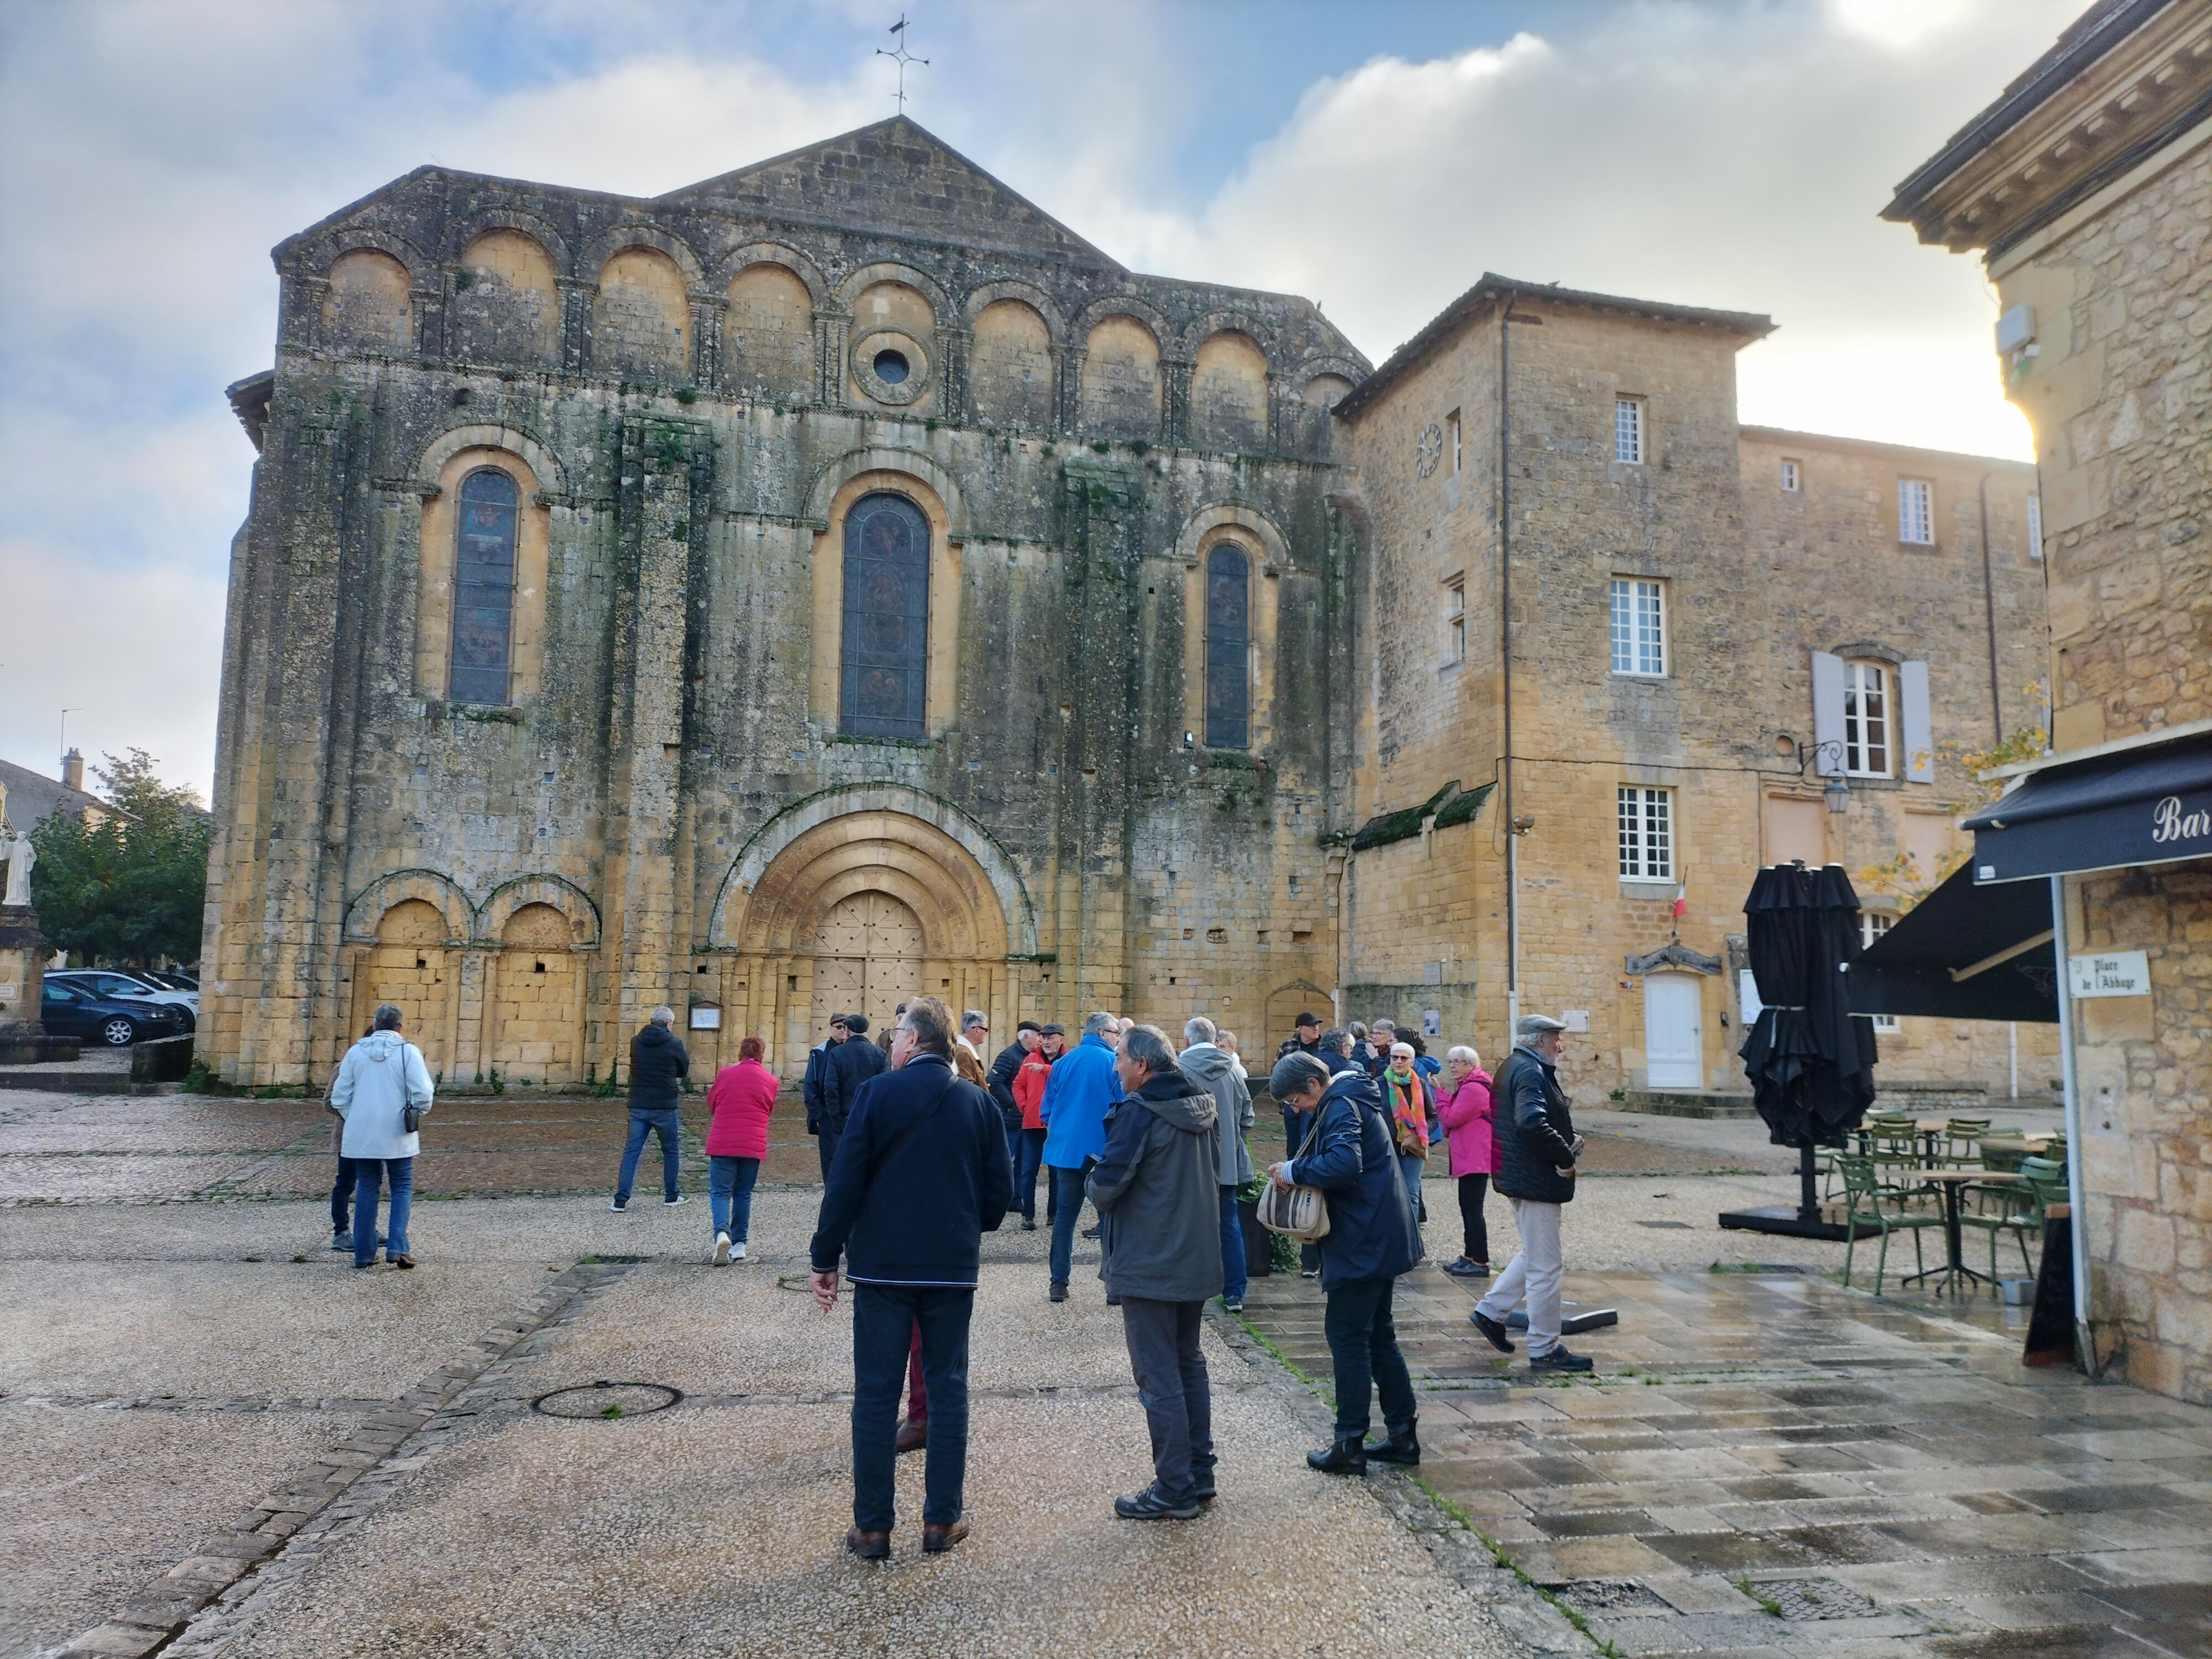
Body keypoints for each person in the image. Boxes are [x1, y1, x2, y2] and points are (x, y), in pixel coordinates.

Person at [810, 997, 1013, 1559]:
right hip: (950, 1270)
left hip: (882, 1270)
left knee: (875, 1396)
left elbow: (844, 1183)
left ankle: (873, 1528)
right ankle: (941, 1522)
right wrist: (963, 1221)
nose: (891, 1041)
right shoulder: (979, 1104)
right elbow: (1000, 1199)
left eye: (897, 1032)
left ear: (916, 1040)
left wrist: (824, 1258)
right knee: (948, 1391)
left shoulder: (878, 1094)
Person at [1090, 1024, 1222, 1521]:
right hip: (1194, 1253)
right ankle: (1198, 1473)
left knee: (1159, 1373)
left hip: (1151, 1258)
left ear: (1143, 1065)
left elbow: (1107, 1187)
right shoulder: (1202, 1104)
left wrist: (1090, 1178)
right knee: (1188, 1363)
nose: (1116, 1065)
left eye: (1120, 1057)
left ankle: (1174, 1487)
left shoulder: (1140, 1112)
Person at [1266, 1050, 1421, 1474]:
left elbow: (1343, 1163)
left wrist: (1294, 1170)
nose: (1297, 1109)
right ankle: (1402, 1436)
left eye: (1298, 1101)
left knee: (1347, 1337)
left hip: (1363, 1239)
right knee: (1378, 1337)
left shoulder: (1339, 1104)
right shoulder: (1357, 1096)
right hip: (1380, 1233)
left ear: (1315, 1084)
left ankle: (1350, 1443)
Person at [1470, 1015, 1592, 1373]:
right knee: (1546, 1267)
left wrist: (1566, 1142)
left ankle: (1490, 1312)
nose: (1560, 1045)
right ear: (1540, 1040)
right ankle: (1543, 1347)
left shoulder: (1516, 1065)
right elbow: (1531, 1122)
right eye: (1556, 1039)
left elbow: (1528, 1122)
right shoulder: (1531, 1071)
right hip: (1534, 1180)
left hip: (1521, 1176)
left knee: (1535, 1254)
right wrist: (1565, 1156)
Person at [330, 1003, 434, 1270]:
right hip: (397, 1132)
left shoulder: (355, 1053)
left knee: (367, 1187)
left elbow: (339, 1097)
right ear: (400, 1026)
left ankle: (364, 1253)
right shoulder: (408, 1052)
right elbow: (423, 1094)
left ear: (375, 1025)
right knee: (401, 1187)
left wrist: (357, 1117)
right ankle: (398, 1247)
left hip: (361, 1134)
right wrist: (413, 1113)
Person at [1038, 1010, 1123, 1302]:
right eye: (1115, 1033)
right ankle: (1114, 1287)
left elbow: (1046, 1110)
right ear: (1102, 1034)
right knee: (1110, 1220)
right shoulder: (1113, 1064)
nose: (1118, 1039)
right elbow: (1123, 1109)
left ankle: (1058, 1283)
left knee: (1064, 1219)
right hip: (1101, 1153)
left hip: (1066, 1152)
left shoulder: (1062, 1063)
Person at [1177, 1016, 1254, 1314]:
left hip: (1189, 1162)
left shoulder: (1180, 1070)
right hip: (1227, 1163)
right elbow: (1247, 1117)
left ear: (1186, 1042)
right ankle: (1235, 1292)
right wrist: (1232, 1143)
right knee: (1229, 1225)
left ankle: (1191, 1286)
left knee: (1186, 1225)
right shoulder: (1234, 1071)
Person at [705, 1035, 778, 1265]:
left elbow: (712, 1102)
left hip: (723, 1140)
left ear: (740, 1054)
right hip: (752, 1143)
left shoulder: (725, 1074)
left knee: (720, 1192)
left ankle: (721, 1234)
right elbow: (768, 1108)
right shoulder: (770, 1081)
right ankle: (739, 1245)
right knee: (743, 1194)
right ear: (761, 1057)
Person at [612, 1005, 688, 1212]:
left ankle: (621, 1200)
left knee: (632, 1152)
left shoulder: (636, 1042)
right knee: (671, 1151)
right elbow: (683, 1070)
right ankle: (671, 1195)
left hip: (639, 1103)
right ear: (669, 1023)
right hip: (664, 1105)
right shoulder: (674, 1043)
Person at [1434, 1044, 1497, 1277]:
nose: (1452, 1066)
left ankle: (1480, 1261)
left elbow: (1451, 1117)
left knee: (1472, 1209)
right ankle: (1470, 1256)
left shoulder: (1473, 1089)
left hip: (1475, 1157)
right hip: (1471, 1156)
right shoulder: (1467, 1086)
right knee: (1468, 1208)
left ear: (1471, 1065)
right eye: (1450, 1062)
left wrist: (1439, 1093)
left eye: (1457, 1062)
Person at [820, 1012, 886, 1181]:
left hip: (845, 1117)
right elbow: (884, 1088)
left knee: (842, 1167)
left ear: (848, 1031)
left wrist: (836, 1119)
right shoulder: (879, 1053)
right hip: (870, 1118)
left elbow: (830, 1088)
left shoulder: (837, 1054)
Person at [1010, 1024, 1058, 1230]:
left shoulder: (1067, 1061)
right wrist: (1025, 1105)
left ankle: (1053, 1215)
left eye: (1051, 1038)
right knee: (1028, 1170)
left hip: (1056, 1125)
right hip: (1032, 1124)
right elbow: (1017, 1084)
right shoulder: (1030, 1059)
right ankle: (1028, 1216)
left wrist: (1046, 1069)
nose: (1045, 1042)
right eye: (1043, 1038)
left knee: (1056, 1172)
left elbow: (1067, 1079)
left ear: (1061, 1040)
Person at [1379, 1041, 1433, 1219]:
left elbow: (1433, 1117)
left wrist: (1421, 1131)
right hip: (1386, 1148)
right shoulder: (1378, 1084)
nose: (1399, 1062)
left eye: (1404, 1058)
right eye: (1395, 1057)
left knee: (1411, 1194)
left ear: (1412, 1061)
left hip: (1413, 1148)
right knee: (1388, 1195)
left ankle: (1412, 1240)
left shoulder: (1420, 1085)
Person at [804, 1016, 846, 1168]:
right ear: (831, 1028)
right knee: (829, 1158)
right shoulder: (820, 1053)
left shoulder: (851, 1050)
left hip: (848, 1112)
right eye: (839, 1027)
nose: (842, 1031)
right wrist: (818, 1114)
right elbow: (811, 1085)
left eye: (845, 1027)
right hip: (827, 1114)